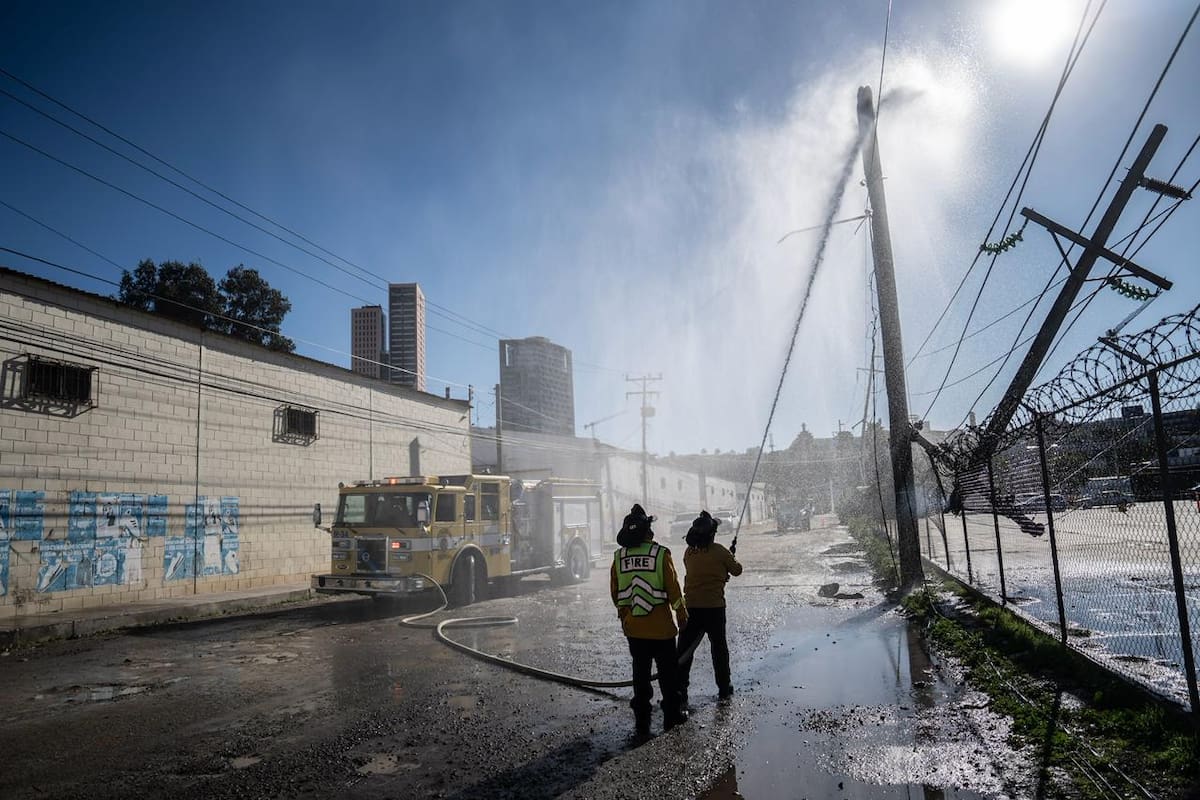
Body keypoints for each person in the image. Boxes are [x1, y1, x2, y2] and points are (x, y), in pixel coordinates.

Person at [611, 503, 688, 735]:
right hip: (662, 629)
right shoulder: (660, 554)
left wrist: (625, 617)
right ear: (647, 531)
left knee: (640, 671)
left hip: (635, 629)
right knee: (667, 672)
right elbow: (673, 589)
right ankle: (672, 710)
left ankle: (642, 708)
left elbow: (617, 594)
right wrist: (682, 615)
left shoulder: (619, 557)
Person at [677, 510, 742, 707]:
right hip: (714, 609)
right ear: (712, 534)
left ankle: (680, 689)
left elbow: (699, 570)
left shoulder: (688, 552)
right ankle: (724, 686)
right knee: (719, 648)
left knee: (684, 651)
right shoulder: (721, 552)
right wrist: (729, 559)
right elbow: (737, 570)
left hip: (692, 608)